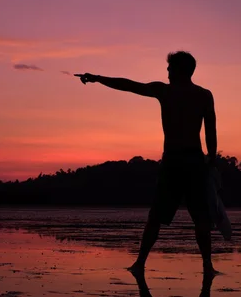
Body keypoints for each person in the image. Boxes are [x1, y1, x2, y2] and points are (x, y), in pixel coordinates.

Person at [75, 51, 219, 276]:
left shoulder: (169, 92)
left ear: (181, 70)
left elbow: (130, 85)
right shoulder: (201, 95)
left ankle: (143, 263)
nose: (168, 72)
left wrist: (97, 78)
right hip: (191, 162)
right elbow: (129, 85)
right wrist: (212, 159)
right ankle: (203, 266)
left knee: (167, 217)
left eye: (170, 68)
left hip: (178, 162)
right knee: (195, 217)